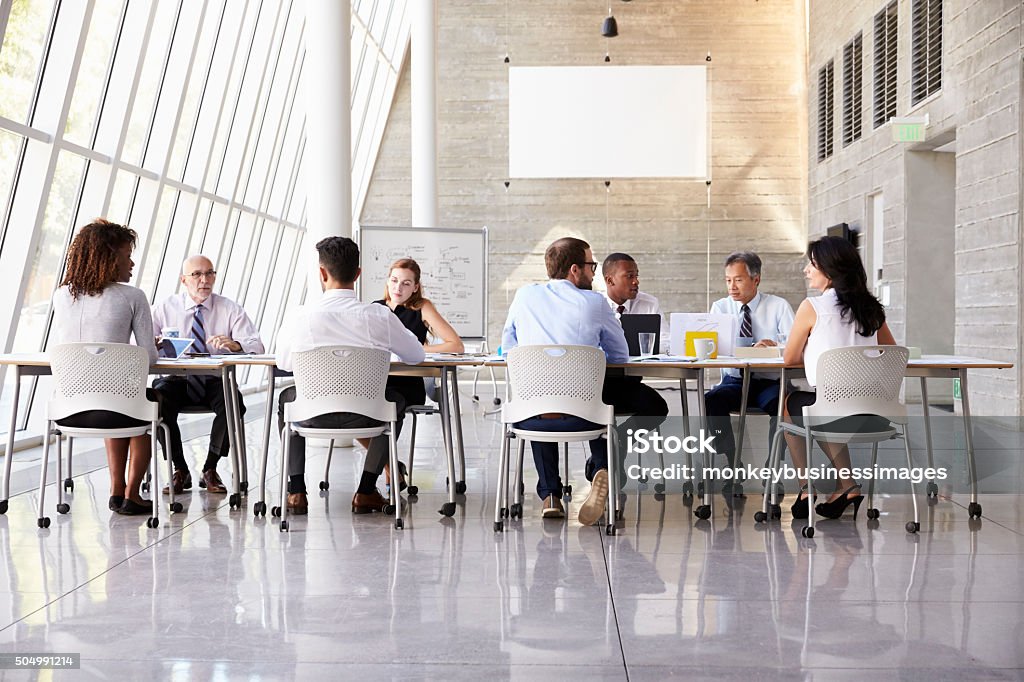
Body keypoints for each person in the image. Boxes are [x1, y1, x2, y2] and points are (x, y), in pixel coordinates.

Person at [501, 237, 667, 525]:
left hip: (530, 415)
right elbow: (620, 354)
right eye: (592, 265)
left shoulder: (524, 296)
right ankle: (603, 465)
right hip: (585, 413)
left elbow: (508, 346)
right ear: (575, 269)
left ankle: (550, 497)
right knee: (613, 405)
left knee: (540, 398)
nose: (594, 273)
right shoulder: (594, 302)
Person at [275, 236, 425, 515]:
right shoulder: (379, 316)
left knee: (287, 399)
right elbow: (416, 355)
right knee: (395, 401)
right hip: (367, 414)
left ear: (322, 273)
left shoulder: (300, 316)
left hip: (311, 413)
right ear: (358, 274)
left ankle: (296, 493)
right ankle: (366, 491)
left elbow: (283, 362)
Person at [783, 236, 896, 520]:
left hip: (832, 410)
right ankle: (846, 487)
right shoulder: (872, 309)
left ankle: (807, 488)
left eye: (811, 265)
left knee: (792, 406)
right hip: (874, 412)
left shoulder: (812, 307)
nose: (807, 271)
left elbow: (790, 359)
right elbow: (892, 352)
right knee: (829, 405)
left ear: (829, 270)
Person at [51, 219, 158, 516]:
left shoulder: (62, 296)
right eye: (127, 255)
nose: (132, 262)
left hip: (69, 410)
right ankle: (132, 493)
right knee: (141, 402)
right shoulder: (133, 296)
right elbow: (148, 357)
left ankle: (115, 490)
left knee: (121, 398)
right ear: (109, 258)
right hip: (118, 408)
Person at [151, 255, 264, 496]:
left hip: (214, 380)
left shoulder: (229, 308)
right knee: (155, 404)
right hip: (176, 380)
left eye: (210, 273)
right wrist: (156, 343)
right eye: (197, 274)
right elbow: (142, 344)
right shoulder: (165, 308)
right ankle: (180, 468)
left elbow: (257, 345)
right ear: (184, 280)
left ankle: (210, 468)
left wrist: (235, 344)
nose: (205, 280)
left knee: (234, 404)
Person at [704, 251, 795, 491]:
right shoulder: (720, 307)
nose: (732, 287)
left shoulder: (778, 306)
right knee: (711, 401)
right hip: (735, 381)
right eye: (728, 280)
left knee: (782, 406)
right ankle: (732, 462)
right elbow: (712, 349)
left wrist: (773, 346)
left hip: (770, 383)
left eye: (738, 280)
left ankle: (773, 466)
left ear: (756, 280)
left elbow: (796, 346)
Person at [373, 258, 464, 489]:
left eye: (405, 283)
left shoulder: (421, 307)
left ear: (415, 287)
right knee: (356, 409)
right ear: (387, 280)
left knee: (391, 406)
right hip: (376, 382)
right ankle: (391, 465)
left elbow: (455, 345)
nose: (398, 288)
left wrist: (421, 349)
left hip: (406, 386)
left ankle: (379, 476)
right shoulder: (374, 309)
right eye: (394, 281)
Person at [601, 252, 669, 352]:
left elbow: (666, 341)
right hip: (606, 366)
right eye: (629, 276)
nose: (636, 281)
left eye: (636, 276)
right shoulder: (595, 306)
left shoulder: (649, 304)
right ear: (609, 280)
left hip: (640, 367)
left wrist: (644, 348)